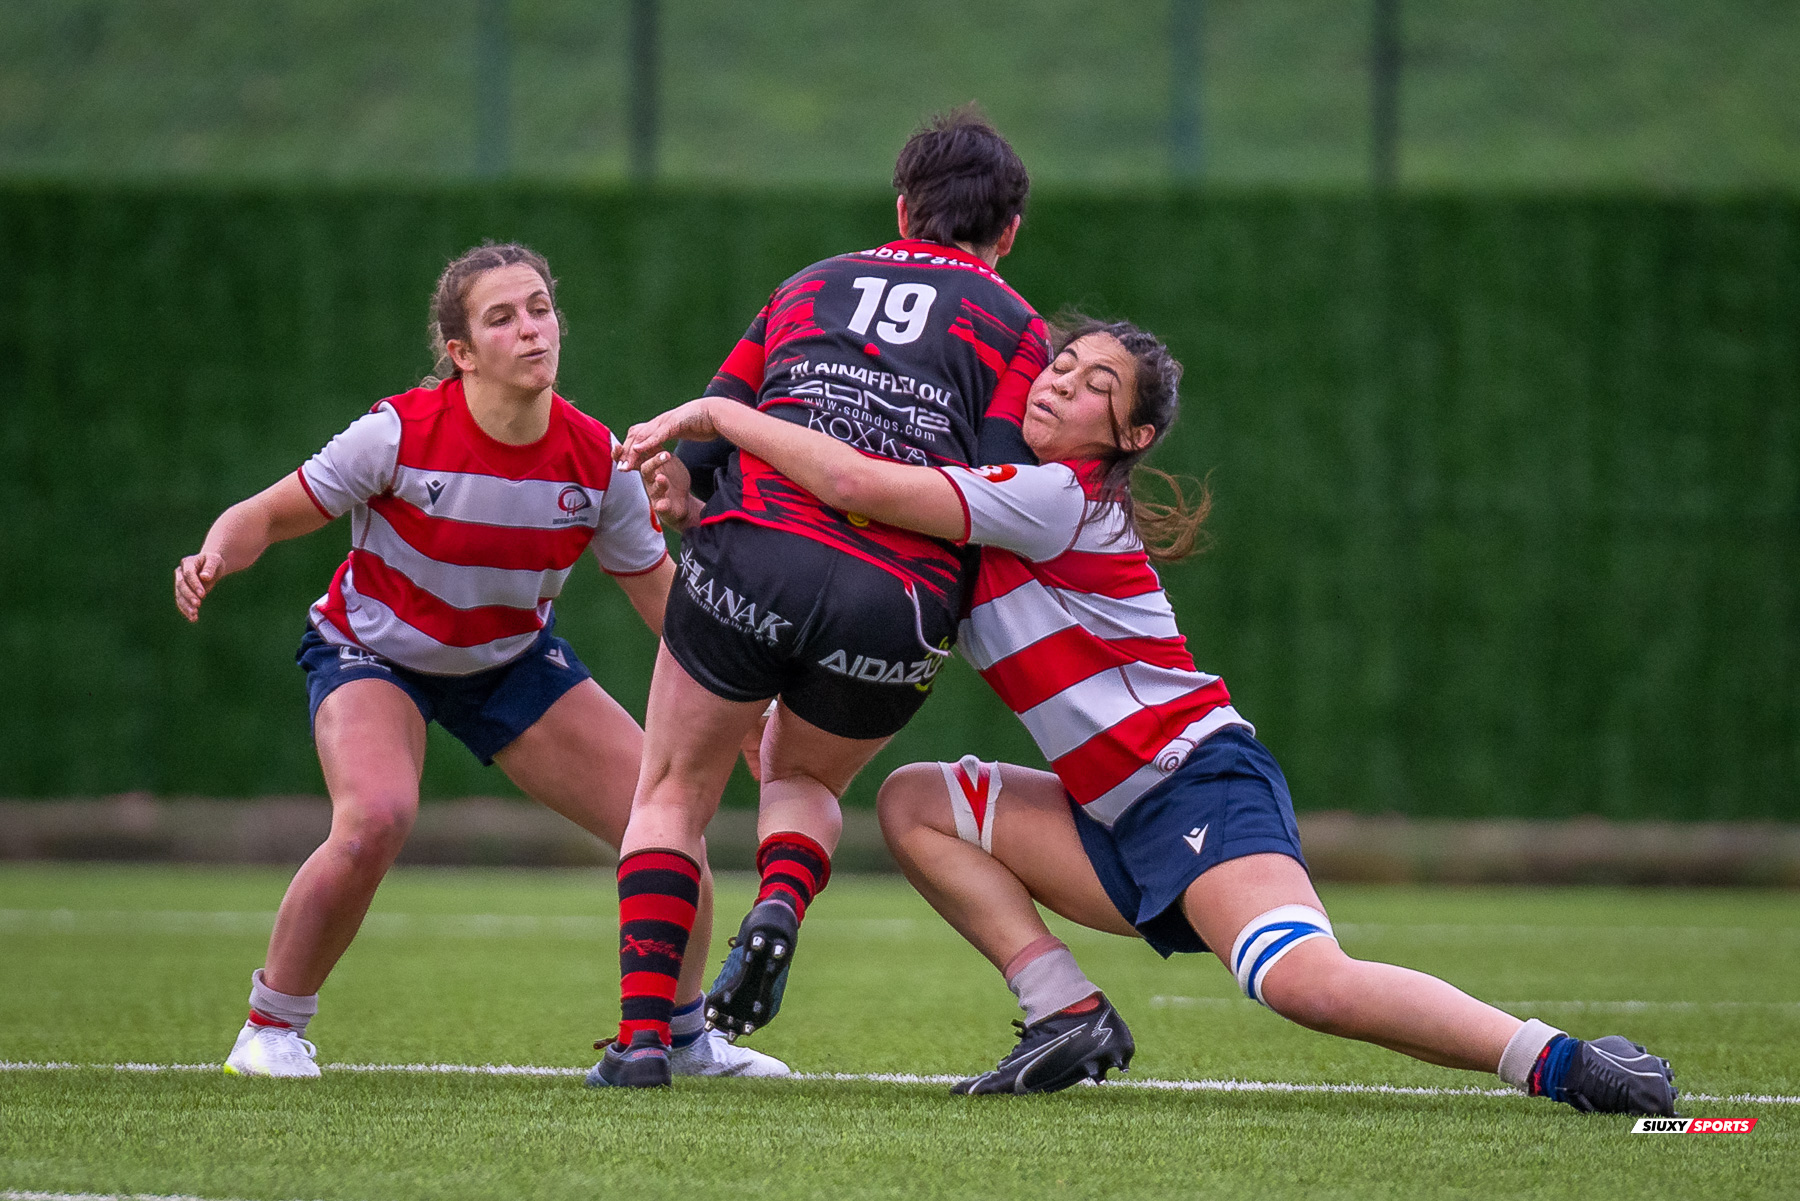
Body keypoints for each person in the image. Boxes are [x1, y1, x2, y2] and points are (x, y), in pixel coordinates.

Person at [616, 317, 1680, 1114]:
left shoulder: (1057, 500)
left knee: (1299, 979)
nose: (1059, 383)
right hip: (1111, 817)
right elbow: (844, 520)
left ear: (1129, 432)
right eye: (1060, 366)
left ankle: (1564, 1061)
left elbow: (852, 475)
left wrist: (716, 415)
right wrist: (704, 515)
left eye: (1093, 386)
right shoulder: (994, 495)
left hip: (1196, 782)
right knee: (915, 804)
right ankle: (1065, 1011)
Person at [173, 243, 785, 1081]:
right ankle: (270, 1026)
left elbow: (665, 602)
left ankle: (682, 1035)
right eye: (503, 318)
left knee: (666, 818)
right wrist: (212, 553)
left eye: (540, 308)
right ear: (459, 352)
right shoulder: (395, 434)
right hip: (371, 653)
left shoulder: (597, 462)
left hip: (511, 660)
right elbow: (270, 513)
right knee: (377, 816)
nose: (532, 329)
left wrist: (743, 708)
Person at [591, 107, 1050, 1088]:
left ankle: (640, 1043)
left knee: (672, 791)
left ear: (901, 207)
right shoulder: (1019, 329)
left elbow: (716, 441)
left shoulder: (814, 282)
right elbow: (1004, 492)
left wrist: (682, 484)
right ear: (1008, 233)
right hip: (900, 598)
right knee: (800, 778)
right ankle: (783, 901)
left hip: (755, 554)